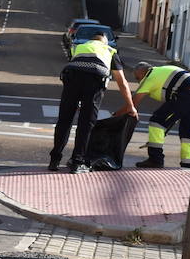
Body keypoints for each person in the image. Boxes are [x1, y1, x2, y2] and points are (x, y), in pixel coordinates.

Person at [50, 30, 137, 173]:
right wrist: (130, 106)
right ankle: (77, 162)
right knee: (86, 123)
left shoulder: (79, 47)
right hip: (94, 80)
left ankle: (54, 160)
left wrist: (76, 98)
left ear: (92, 40)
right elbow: (122, 82)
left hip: (71, 77)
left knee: (64, 121)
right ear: (105, 41)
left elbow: (76, 66)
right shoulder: (109, 50)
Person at [119, 61, 190, 168]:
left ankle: (155, 159)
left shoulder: (149, 77)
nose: (139, 82)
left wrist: (116, 115)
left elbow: (132, 103)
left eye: (137, 78)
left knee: (157, 121)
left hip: (188, 95)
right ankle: (188, 163)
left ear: (143, 72)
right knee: (188, 131)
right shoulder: (163, 70)